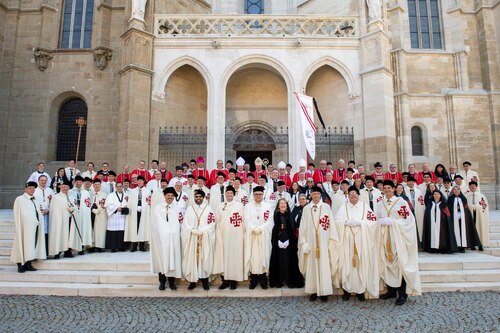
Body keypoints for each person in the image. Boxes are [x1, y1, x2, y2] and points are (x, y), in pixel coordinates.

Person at [377, 180, 421, 305]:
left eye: (389, 188)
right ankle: (391, 290)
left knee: (400, 263)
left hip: (398, 238)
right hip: (385, 238)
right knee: (388, 263)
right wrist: (381, 222)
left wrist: (394, 222)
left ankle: (402, 294)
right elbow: (377, 218)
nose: (387, 190)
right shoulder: (380, 204)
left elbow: (408, 220)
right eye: (385, 188)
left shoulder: (401, 202)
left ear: (394, 189)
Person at [335, 186, 379, 301]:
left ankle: (360, 290)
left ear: (358, 195)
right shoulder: (343, 208)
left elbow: (373, 222)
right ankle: (347, 290)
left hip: (361, 240)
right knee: (347, 264)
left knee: (361, 264)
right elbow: (336, 222)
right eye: (351, 194)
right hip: (347, 241)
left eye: (355, 193)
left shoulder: (365, 207)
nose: (353, 195)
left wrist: (361, 223)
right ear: (348, 196)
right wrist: (345, 222)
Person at [298, 186, 340, 302]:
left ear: (321, 195)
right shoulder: (307, 209)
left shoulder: (326, 207)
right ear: (310, 195)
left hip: (324, 243)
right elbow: (303, 227)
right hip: (311, 243)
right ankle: (313, 291)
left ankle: (324, 292)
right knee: (312, 267)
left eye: (317, 193)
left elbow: (331, 225)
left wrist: (331, 241)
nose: (316, 196)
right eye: (314, 194)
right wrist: (304, 242)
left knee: (324, 266)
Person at [213, 186, 246, 290]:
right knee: (224, 258)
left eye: (231, 193)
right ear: (225, 194)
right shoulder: (220, 206)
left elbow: (243, 221)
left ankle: (233, 281)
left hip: (236, 236)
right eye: (227, 193)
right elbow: (217, 221)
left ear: (234, 194)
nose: (229, 195)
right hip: (223, 236)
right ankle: (225, 281)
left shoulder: (240, 206)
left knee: (234, 259)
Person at [182, 189, 216, 290]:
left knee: (203, 258)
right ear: (194, 198)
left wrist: (203, 231)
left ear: (204, 198)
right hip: (192, 237)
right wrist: (192, 230)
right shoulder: (189, 209)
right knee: (192, 259)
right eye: (196, 197)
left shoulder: (209, 209)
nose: (198, 198)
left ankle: (205, 281)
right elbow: (185, 223)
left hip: (204, 237)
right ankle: (192, 281)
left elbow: (212, 223)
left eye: (200, 197)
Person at [150, 187, 183, 291]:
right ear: (164, 196)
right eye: (168, 195)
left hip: (174, 239)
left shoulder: (177, 208)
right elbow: (155, 223)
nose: (170, 197)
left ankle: (172, 282)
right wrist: (159, 234)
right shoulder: (157, 208)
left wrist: (175, 232)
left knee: (173, 258)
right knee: (162, 259)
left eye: (172, 196)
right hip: (161, 238)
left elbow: (181, 222)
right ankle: (162, 282)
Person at [11, 182, 46, 273]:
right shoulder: (20, 199)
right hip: (24, 227)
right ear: (25, 189)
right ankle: (20, 264)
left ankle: (28, 263)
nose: (32, 190)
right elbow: (18, 213)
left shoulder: (35, 199)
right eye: (30, 188)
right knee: (22, 244)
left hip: (35, 227)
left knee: (31, 245)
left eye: (33, 188)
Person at [269, 198, 304, 289]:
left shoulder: (290, 215)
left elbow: (292, 229)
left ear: (287, 205)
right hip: (278, 241)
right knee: (279, 260)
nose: (283, 205)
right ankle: (279, 280)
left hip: (289, 242)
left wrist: (289, 240)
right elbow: (274, 229)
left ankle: (289, 280)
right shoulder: (275, 215)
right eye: (281, 203)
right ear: (278, 205)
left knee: (288, 260)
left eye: (284, 203)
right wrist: (277, 240)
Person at [244, 186, 274, 290]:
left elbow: (270, 220)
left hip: (263, 235)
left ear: (262, 195)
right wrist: (253, 228)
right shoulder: (248, 206)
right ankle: (253, 279)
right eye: (256, 194)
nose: (258, 196)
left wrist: (261, 228)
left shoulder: (268, 206)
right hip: (252, 235)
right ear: (253, 195)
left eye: (260, 194)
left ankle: (263, 279)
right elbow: (246, 220)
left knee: (263, 256)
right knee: (253, 256)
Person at [448, 186, 482, 252]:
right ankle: (455, 246)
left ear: (460, 190)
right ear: (453, 191)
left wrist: (462, 214)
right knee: (455, 231)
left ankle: (462, 247)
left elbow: (465, 208)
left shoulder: (463, 198)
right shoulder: (450, 198)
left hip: (462, 218)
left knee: (462, 231)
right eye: (454, 190)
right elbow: (449, 208)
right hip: (453, 218)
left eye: (457, 189)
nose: (456, 191)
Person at [125, 176, 151, 252]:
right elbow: (130, 201)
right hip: (134, 211)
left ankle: (142, 246)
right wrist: (134, 207)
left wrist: (144, 207)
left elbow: (148, 201)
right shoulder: (132, 191)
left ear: (143, 182)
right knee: (134, 227)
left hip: (144, 211)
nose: (139, 182)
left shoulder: (147, 191)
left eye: (141, 181)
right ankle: (134, 246)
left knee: (142, 227)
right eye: (138, 181)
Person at [68, 176, 92, 255]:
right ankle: (71, 248)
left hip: (83, 214)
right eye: (77, 182)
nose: (78, 183)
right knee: (73, 231)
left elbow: (88, 203)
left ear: (82, 183)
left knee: (82, 229)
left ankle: (81, 246)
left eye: (80, 182)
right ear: (74, 182)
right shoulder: (70, 192)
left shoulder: (85, 192)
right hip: (74, 213)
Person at [48, 184, 73, 259]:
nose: (65, 188)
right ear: (60, 187)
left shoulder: (71, 196)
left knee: (68, 235)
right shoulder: (56, 197)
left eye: (67, 187)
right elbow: (54, 210)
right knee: (59, 235)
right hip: (59, 220)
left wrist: (73, 209)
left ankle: (68, 251)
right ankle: (57, 252)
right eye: (63, 186)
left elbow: (74, 205)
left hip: (69, 219)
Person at [33, 175, 54, 255]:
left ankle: (47, 252)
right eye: (42, 180)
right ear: (38, 181)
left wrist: (48, 209)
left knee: (47, 233)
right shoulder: (35, 191)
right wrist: (40, 210)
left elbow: (53, 202)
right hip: (39, 215)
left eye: (45, 180)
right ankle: (39, 252)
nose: (43, 182)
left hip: (49, 215)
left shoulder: (50, 190)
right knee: (40, 233)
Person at [105, 182, 128, 252]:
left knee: (122, 231)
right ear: (115, 187)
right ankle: (113, 247)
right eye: (117, 186)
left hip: (122, 216)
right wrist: (116, 208)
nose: (119, 188)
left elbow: (129, 204)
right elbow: (108, 205)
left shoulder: (126, 195)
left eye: (120, 186)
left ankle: (121, 247)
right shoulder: (111, 195)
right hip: (113, 216)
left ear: (122, 187)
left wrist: (124, 208)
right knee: (113, 232)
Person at [465, 181, 489, 248]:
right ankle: (472, 244)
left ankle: (480, 244)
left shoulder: (481, 195)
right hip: (470, 214)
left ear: (476, 187)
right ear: (469, 187)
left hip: (479, 215)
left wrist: (479, 208)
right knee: (471, 228)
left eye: (474, 186)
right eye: (471, 186)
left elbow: (484, 205)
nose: (473, 187)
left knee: (479, 228)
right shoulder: (466, 195)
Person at [89, 179, 108, 253]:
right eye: (95, 185)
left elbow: (106, 205)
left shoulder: (104, 195)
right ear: (93, 186)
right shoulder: (90, 194)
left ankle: (99, 246)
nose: (97, 186)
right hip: (91, 214)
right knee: (91, 230)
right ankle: (91, 246)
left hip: (101, 214)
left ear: (100, 185)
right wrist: (92, 210)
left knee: (99, 231)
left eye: (98, 184)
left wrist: (99, 210)